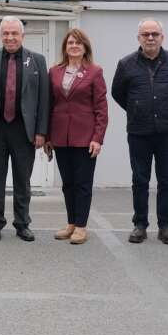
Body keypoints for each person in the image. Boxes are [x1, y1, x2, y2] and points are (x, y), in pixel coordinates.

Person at [111, 18, 168, 245]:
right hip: (138, 131)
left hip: (167, 132)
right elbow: (118, 93)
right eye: (146, 34)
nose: (150, 38)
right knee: (140, 180)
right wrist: (137, 108)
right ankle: (140, 225)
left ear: (162, 37)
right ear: (139, 38)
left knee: (167, 180)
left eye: (155, 34)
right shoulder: (126, 64)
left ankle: (166, 227)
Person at [0, 17, 49, 241]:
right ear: (0, 35)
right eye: (6, 33)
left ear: (22, 36)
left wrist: (41, 131)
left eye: (14, 33)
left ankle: (22, 223)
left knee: (22, 180)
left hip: (24, 130)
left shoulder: (37, 61)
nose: (10, 37)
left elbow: (44, 99)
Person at [45, 29, 109, 245]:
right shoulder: (54, 71)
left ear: (85, 48)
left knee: (83, 184)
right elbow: (49, 105)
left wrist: (97, 138)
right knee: (68, 184)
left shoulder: (94, 72)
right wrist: (47, 136)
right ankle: (71, 223)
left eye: (78, 43)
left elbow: (101, 108)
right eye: (70, 42)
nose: (74, 46)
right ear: (65, 47)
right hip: (60, 136)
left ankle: (81, 226)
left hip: (85, 137)